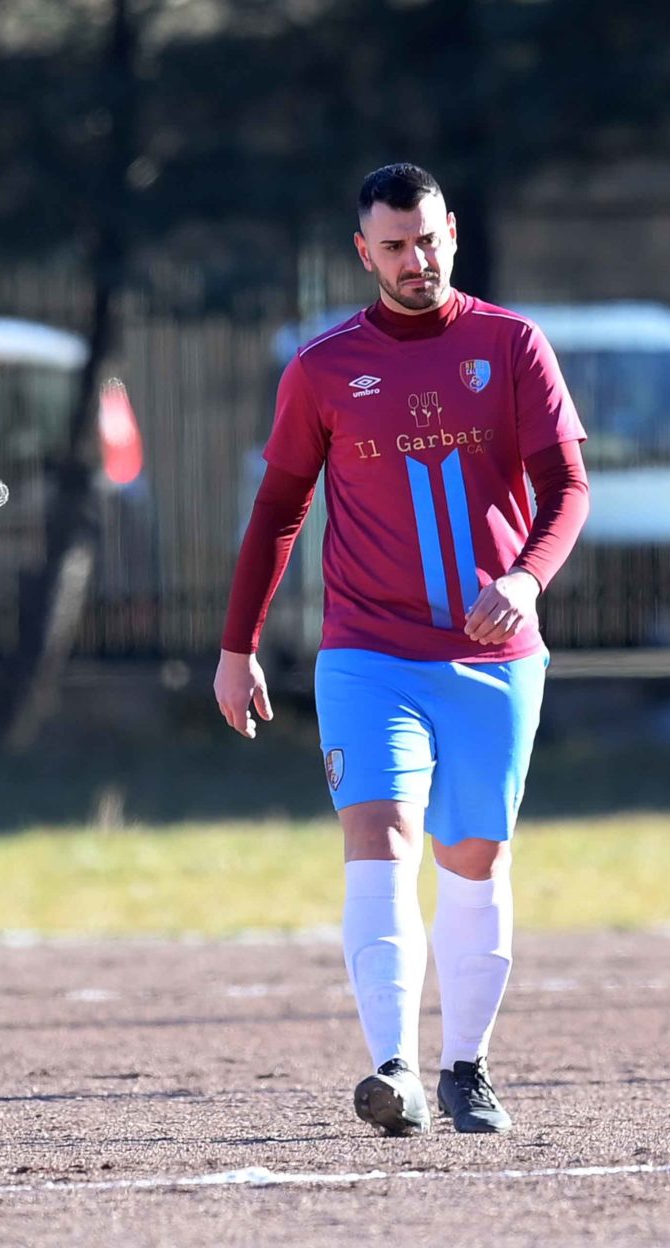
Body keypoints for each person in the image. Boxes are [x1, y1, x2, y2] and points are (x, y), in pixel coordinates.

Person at [215, 163, 590, 1135]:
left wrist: (524, 580)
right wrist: (236, 645)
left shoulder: (510, 344)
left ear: (451, 232)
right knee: (378, 837)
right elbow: (278, 510)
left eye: (427, 239)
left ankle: (466, 1066)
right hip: (367, 654)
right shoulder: (323, 366)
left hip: (493, 658)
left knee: (474, 856)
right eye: (394, 246)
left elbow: (567, 489)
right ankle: (394, 1068)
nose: (415, 259)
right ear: (364, 253)